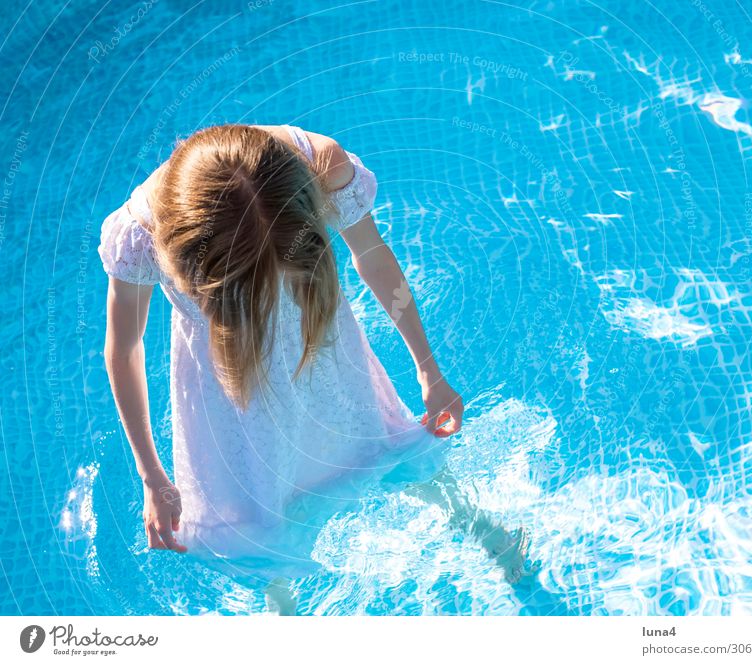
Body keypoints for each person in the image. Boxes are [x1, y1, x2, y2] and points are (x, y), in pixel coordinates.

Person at [98, 124, 525, 613]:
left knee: (376, 441)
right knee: (258, 499)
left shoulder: (323, 166)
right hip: (229, 387)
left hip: (319, 349)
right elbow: (123, 348)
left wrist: (428, 369)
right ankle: (281, 595)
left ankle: (478, 525)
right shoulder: (141, 233)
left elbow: (372, 255)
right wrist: (152, 477)